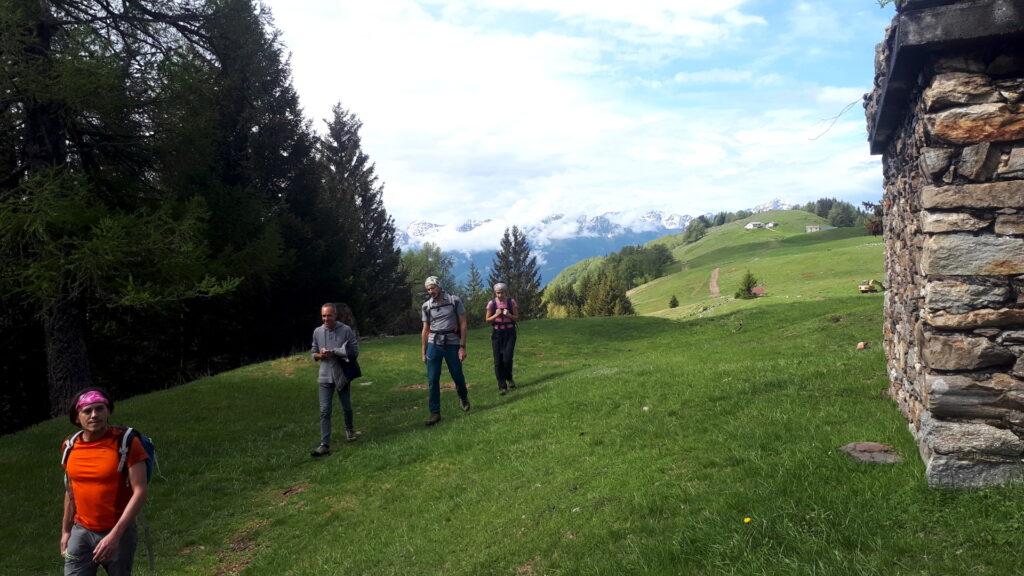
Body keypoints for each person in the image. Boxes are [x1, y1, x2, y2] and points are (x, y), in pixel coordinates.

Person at [60, 388, 148, 576]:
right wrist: (66, 531)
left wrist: (115, 536)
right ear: (77, 417)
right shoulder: (69, 446)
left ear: (108, 412)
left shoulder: (126, 442)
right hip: (80, 531)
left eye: (100, 409)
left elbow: (140, 491)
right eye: (87, 411)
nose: (94, 415)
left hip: (119, 532)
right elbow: (70, 491)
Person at [310, 302, 361, 457]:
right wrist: (320, 355)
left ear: (335, 315)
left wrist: (337, 352)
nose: (326, 319)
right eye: (323, 316)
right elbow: (313, 352)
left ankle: (349, 429)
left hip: (341, 375)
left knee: (346, 406)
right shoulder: (317, 331)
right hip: (324, 376)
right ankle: (324, 444)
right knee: (325, 411)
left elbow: (354, 351)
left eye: (329, 315)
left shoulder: (345, 330)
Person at [421, 276, 470, 426]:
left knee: (457, 374)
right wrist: (423, 351)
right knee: (433, 379)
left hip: (452, 343)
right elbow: (425, 329)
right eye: (428, 289)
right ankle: (435, 413)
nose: (431, 291)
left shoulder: (454, 300)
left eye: (433, 288)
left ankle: (463, 397)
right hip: (433, 344)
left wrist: (462, 346)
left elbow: (463, 323)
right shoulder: (426, 306)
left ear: (439, 286)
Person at [485, 282, 518, 394]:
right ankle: (502, 385)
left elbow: (517, 318)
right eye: (498, 293)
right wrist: (496, 315)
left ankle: (509, 377)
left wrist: (508, 314)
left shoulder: (511, 302)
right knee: (498, 360)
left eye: (502, 292)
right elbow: (487, 320)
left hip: (510, 333)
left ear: (506, 292)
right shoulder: (491, 304)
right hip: (497, 333)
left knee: (507, 358)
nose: (500, 295)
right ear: (495, 293)